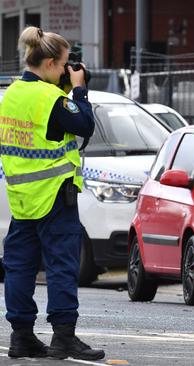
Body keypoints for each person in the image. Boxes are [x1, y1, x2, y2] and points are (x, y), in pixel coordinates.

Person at [0, 26, 104, 361]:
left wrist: (64, 86)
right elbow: (84, 125)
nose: (65, 70)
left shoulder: (11, 95)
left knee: (18, 267)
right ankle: (63, 337)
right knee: (61, 265)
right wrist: (79, 90)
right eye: (61, 66)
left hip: (22, 197)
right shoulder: (51, 100)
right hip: (55, 196)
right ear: (47, 63)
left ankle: (21, 337)